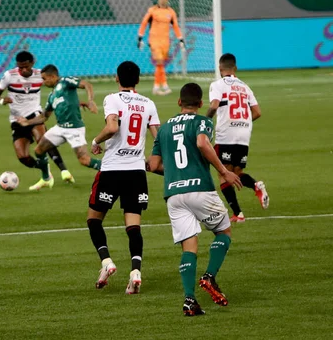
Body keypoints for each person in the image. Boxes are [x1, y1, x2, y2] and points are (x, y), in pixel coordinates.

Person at [148, 83, 242, 316]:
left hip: (174, 195)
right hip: (200, 189)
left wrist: (173, 175)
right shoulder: (202, 121)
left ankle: (189, 300)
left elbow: (154, 165)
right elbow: (201, 142)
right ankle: (209, 276)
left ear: (179, 102)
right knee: (224, 231)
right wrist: (223, 170)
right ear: (200, 104)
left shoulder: (164, 129)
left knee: (188, 246)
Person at [85, 61, 160, 294]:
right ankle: (135, 271)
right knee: (133, 227)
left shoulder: (112, 99)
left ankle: (106, 262)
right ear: (138, 80)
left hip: (112, 170)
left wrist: (96, 142)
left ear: (117, 78)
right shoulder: (148, 104)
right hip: (136, 172)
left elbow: (112, 127)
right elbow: (158, 139)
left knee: (94, 220)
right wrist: (152, 159)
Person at [0, 51, 74, 185]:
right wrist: (1, 101)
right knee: (23, 157)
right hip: (17, 119)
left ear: (32, 63)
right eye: (20, 67)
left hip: (34, 114)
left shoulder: (39, 75)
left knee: (44, 141)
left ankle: (64, 171)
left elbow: (57, 84)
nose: (24, 70)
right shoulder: (9, 75)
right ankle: (44, 169)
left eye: (26, 66)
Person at [17, 64, 101, 191]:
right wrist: (27, 122)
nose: (43, 82)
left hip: (74, 128)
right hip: (60, 128)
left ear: (52, 76)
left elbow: (87, 85)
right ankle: (46, 178)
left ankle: (114, 169)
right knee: (39, 150)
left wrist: (90, 100)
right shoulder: (52, 96)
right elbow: (44, 116)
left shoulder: (66, 81)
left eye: (45, 79)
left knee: (84, 160)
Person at [206, 53, 269, 222]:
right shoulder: (245, 87)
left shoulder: (217, 85)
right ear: (235, 68)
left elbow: (214, 105)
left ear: (220, 69)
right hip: (243, 133)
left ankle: (238, 214)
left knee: (223, 173)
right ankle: (255, 185)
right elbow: (257, 112)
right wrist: (243, 122)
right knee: (236, 172)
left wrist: (205, 121)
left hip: (226, 134)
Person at [137, 0, 185, 96]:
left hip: (165, 41)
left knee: (161, 64)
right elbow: (144, 23)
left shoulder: (171, 12)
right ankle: (162, 85)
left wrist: (181, 39)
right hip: (154, 40)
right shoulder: (152, 11)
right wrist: (140, 38)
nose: (162, 0)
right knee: (159, 61)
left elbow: (176, 26)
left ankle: (158, 86)